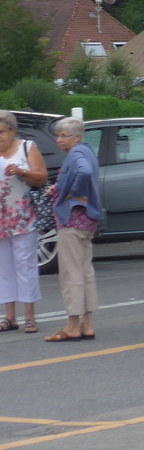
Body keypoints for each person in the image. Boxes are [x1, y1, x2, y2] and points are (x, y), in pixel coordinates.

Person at [45, 117, 101, 342]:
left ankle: (72, 326)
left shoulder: (76, 154)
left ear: (77, 137)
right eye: (58, 135)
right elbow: (85, 172)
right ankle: (87, 324)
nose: (59, 140)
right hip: (87, 220)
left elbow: (83, 173)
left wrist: (71, 193)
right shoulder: (87, 151)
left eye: (63, 135)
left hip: (72, 220)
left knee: (71, 274)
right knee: (86, 271)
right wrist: (59, 187)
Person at [0, 110, 49, 334]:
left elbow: (42, 177)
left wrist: (21, 172)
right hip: (1, 219)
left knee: (25, 266)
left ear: (12, 130)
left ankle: (30, 317)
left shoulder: (26, 148)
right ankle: (9, 317)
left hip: (22, 217)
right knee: (4, 268)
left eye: (1, 132)